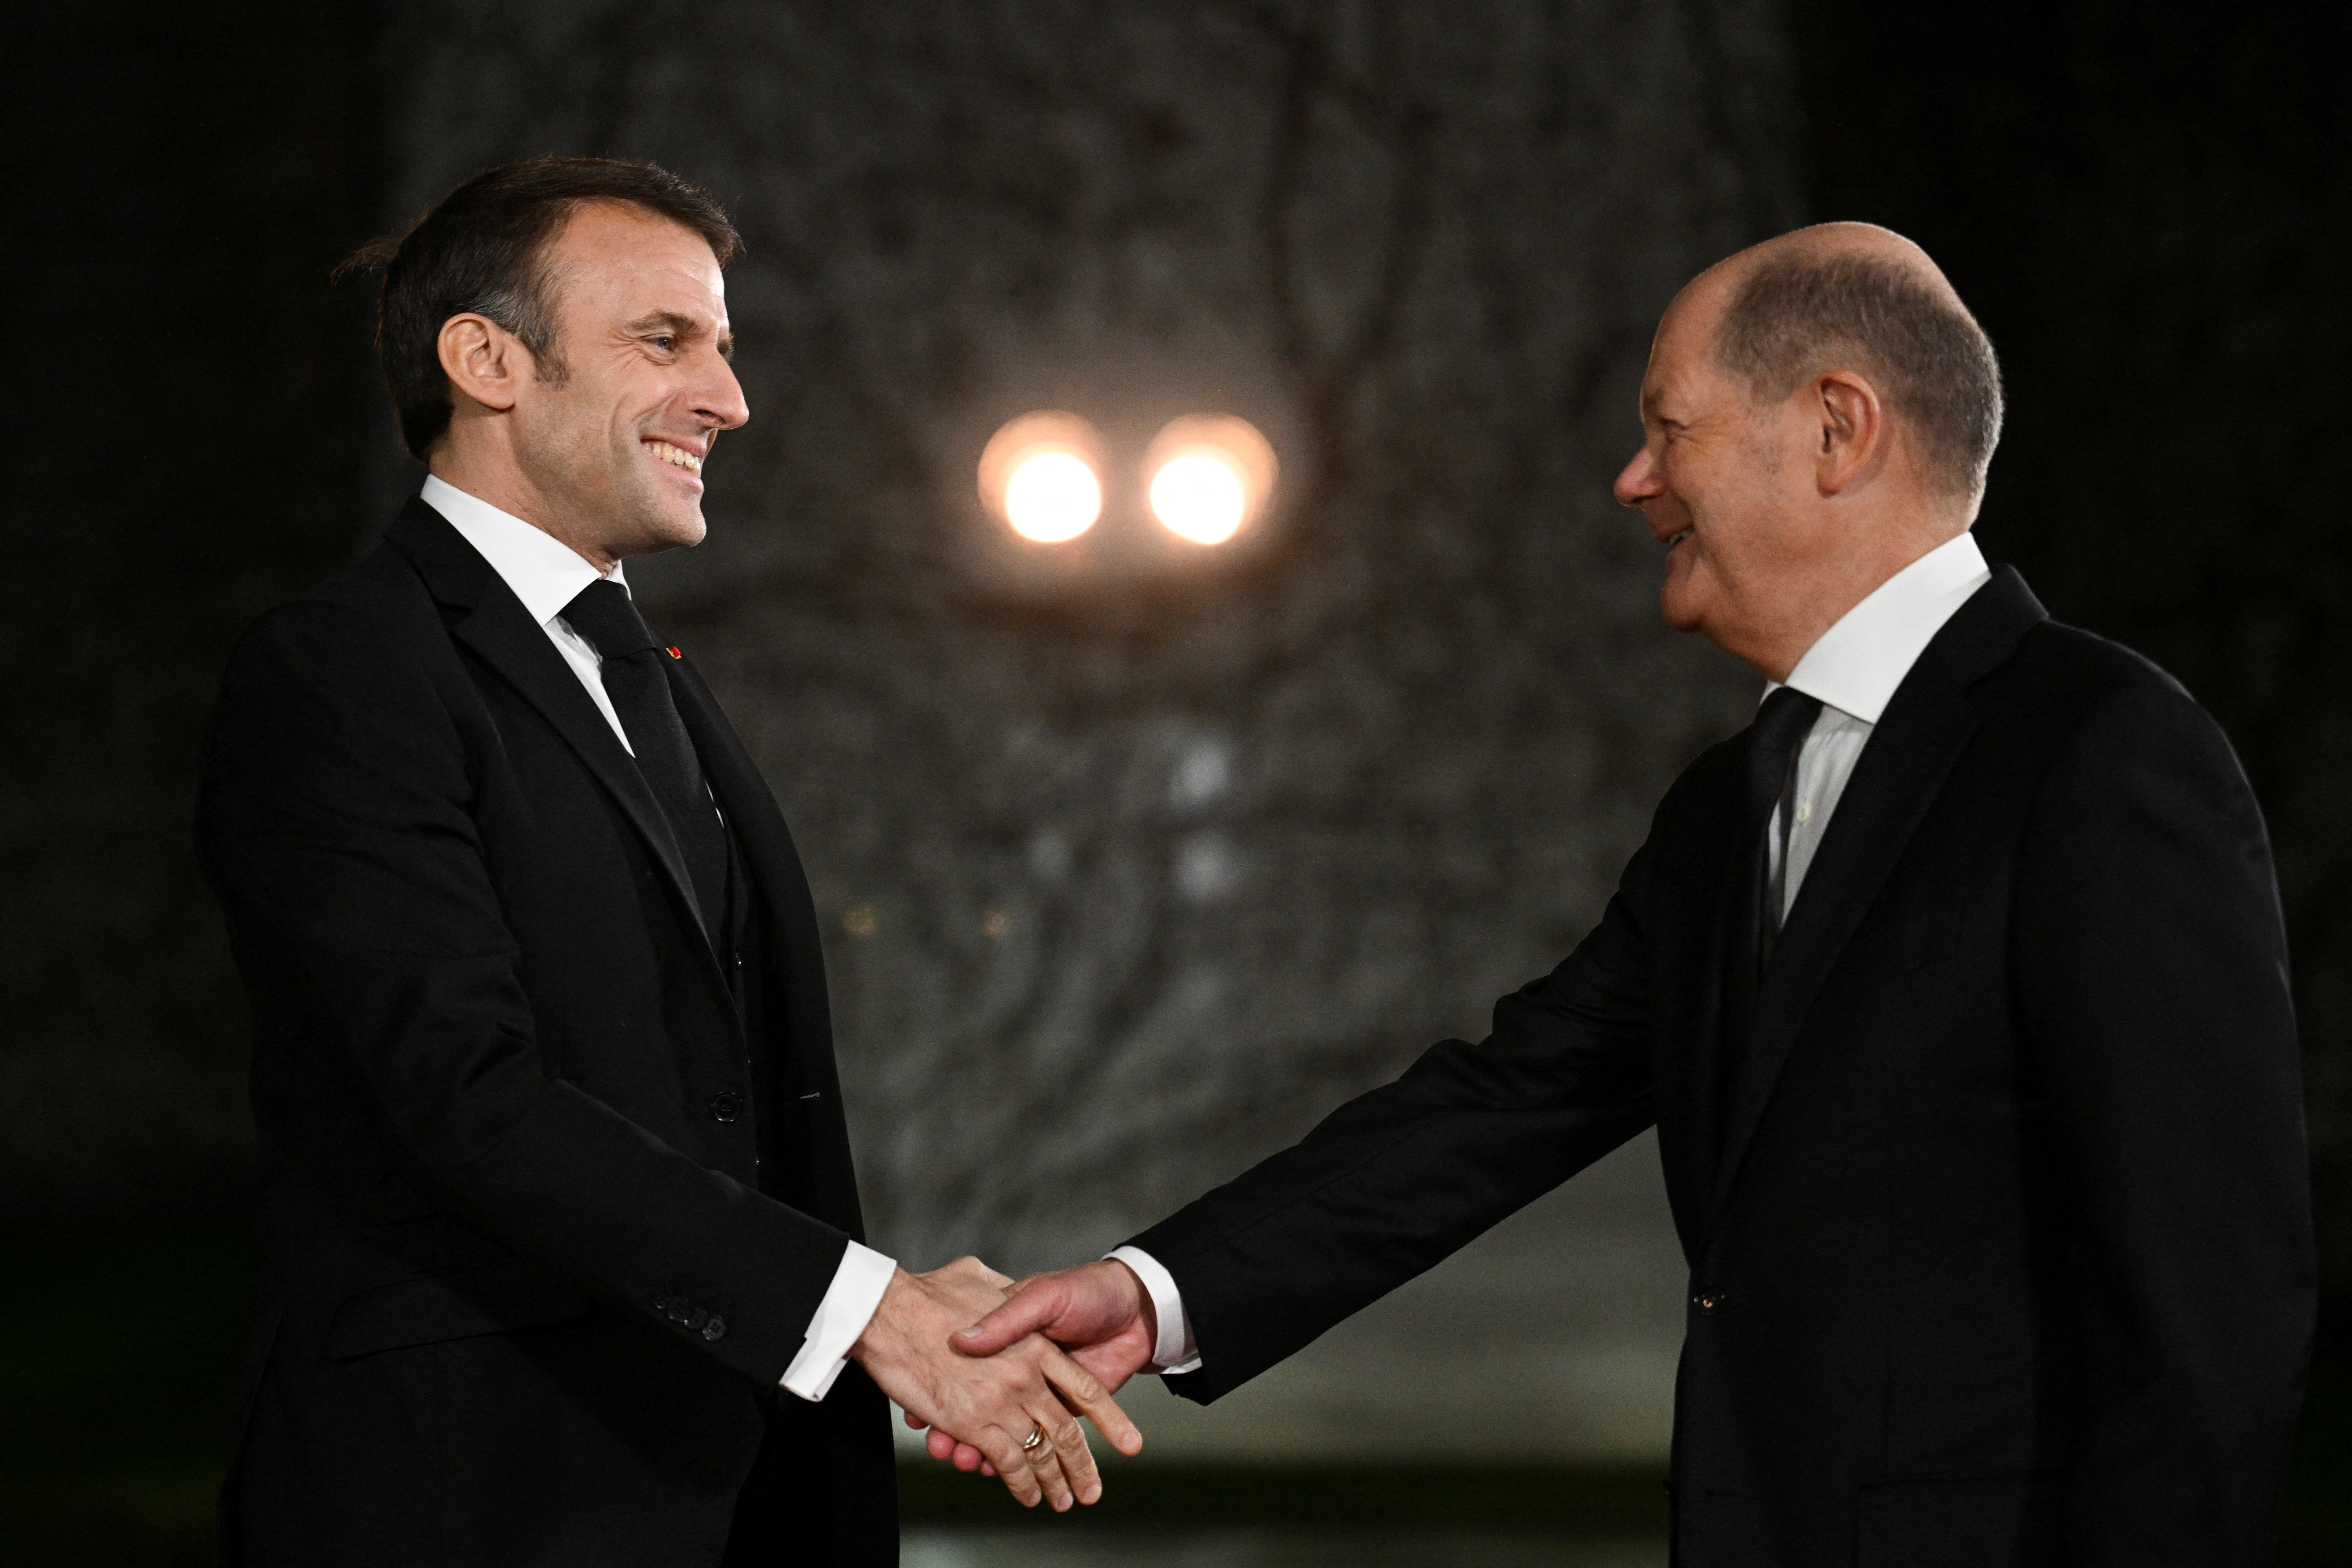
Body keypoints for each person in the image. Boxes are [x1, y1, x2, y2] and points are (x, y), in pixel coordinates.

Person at [939, 224, 2316, 1564]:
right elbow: (1507, 1098)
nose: (1632, 481)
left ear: (1838, 429)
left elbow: (2210, 1307)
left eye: (1672, 428)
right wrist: (1155, 1294)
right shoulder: (1727, 808)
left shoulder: (2100, 755)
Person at [197, 157, 1136, 1568]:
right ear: (488, 361)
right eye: (666, 340)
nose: (730, 398)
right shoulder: (345, 671)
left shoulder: (655, 678)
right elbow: (464, 1099)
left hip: (736, 1498)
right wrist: (867, 1309)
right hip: (468, 1505)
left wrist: (870, 1322)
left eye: (725, 347)